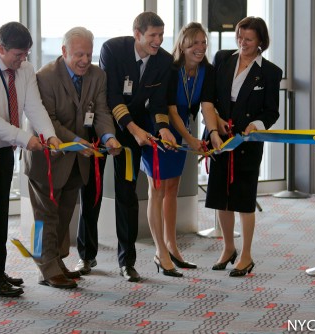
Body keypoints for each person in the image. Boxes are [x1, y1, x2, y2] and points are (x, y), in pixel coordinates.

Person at [0, 21, 61, 297]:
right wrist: (25, 138)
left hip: (6, 149)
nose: (23, 59)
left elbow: (33, 106)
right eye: (18, 54)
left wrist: (48, 135)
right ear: (1, 48)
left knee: (0, 214)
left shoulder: (25, 69)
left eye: (26, 54)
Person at [24, 27, 121, 289]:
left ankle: (56, 260)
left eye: (88, 54)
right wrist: (76, 142)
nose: (84, 60)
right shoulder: (45, 77)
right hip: (48, 159)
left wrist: (109, 137)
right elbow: (49, 121)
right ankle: (45, 267)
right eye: (79, 54)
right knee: (45, 216)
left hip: (78, 161)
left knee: (65, 213)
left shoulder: (97, 75)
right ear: (64, 51)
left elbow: (101, 112)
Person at [96, 11, 176, 282]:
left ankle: (126, 262)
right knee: (90, 189)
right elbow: (113, 96)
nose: (158, 41)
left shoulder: (164, 60)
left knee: (127, 193)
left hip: (138, 131)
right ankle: (86, 255)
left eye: (161, 35)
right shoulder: (113, 50)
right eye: (153, 35)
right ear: (137, 34)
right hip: (106, 124)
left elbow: (158, 102)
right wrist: (133, 129)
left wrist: (162, 127)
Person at [205, 16, 282, 277]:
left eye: (249, 39)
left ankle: (246, 255)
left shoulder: (271, 72)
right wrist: (215, 125)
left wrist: (257, 125)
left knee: (244, 199)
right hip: (220, 138)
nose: (242, 43)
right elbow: (211, 98)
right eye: (240, 37)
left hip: (248, 142)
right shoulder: (222, 59)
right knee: (220, 197)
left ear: (261, 41)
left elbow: (272, 111)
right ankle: (228, 248)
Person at [140, 22, 216, 276]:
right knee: (157, 188)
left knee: (173, 187)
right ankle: (160, 251)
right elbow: (168, 108)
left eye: (203, 42)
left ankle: (172, 246)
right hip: (160, 126)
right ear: (182, 45)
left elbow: (206, 105)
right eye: (194, 42)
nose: (200, 47)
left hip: (182, 127)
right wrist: (189, 139)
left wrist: (211, 132)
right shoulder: (171, 70)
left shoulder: (207, 70)